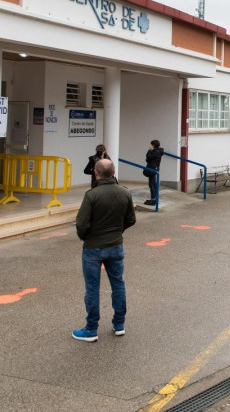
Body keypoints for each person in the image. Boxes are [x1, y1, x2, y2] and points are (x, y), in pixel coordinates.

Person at [73, 159, 136, 342]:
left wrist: (87, 237)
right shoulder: (124, 192)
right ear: (114, 173)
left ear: (96, 173)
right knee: (118, 284)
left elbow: (81, 223)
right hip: (116, 245)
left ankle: (91, 328)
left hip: (93, 247)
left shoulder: (92, 195)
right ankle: (119, 324)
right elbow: (131, 219)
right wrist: (118, 231)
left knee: (92, 288)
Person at [144, 139, 164, 205]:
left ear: (153, 145)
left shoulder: (155, 152)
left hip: (152, 169)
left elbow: (148, 157)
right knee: (154, 184)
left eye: (151, 144)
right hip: (154, 169)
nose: (149, 146)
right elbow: (148, 159)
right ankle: (154, 199)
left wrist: (149, 150)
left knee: (151, 185)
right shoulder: (157, 151)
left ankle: (153, 200)